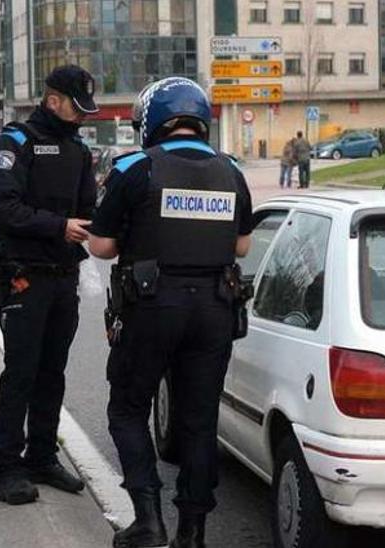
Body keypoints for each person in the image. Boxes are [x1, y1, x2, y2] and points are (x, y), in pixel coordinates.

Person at [88, 77, 255, 548]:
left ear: (153, 122)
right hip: (215, 310)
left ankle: (148, 519)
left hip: (151, 307)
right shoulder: (230, 170)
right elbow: (242, 244)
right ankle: (193, 532)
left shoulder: (134, 167)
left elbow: (102, 246)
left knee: (128, 409)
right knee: (199, 421)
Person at [0, 65, 98, 506]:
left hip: (64, 279)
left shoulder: (79, 151)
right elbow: (1, 207)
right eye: (76, 107)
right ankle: (8, 467)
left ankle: (43, 456)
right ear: (53, 101)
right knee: (21, 374)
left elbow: (88, 208)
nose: (82, 116)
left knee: (52, 374)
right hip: (24, 277)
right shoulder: (16, 142)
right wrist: (58, 227)